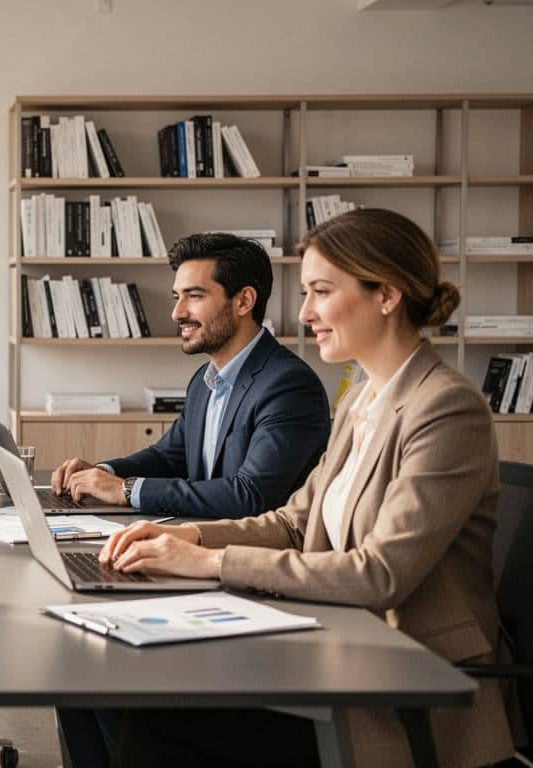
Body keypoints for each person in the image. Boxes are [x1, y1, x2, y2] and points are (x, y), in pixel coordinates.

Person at [100, 208, 514, 767]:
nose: (306, 312)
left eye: (321, 290)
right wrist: (189, 538)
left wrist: (212, 563)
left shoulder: (444, 407)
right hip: (332, 639)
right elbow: (294, 522)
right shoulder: (360, 399)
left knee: (157, 717)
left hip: (403, 674)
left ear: (386, 294)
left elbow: (380, 574)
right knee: (114, 686)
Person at [51, 232, 333, 763]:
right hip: (196, 566)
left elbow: (252, 495)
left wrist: (127, 491)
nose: (177, 311)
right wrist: (103, 471)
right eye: (176, 295)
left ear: (243, 301)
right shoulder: (209, 380)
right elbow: (171, 455)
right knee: (73, 671)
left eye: (194, 296)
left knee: (103, 677)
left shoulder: (287, 384)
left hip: (254, 584)